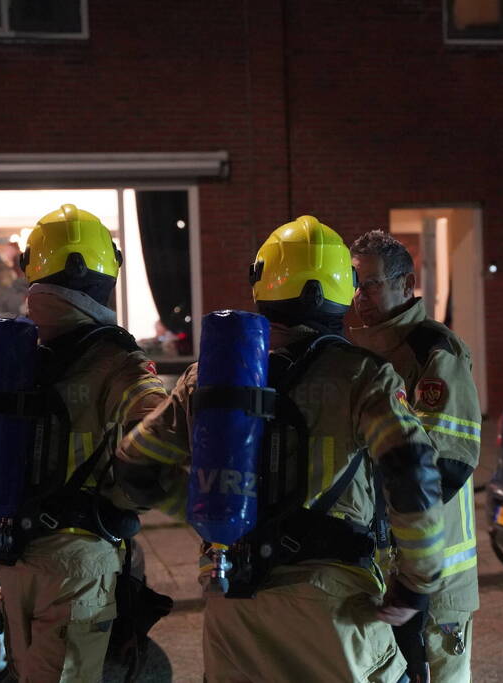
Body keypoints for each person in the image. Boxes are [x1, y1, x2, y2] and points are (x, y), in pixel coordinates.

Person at [115, 215, 447, 682]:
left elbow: (134, 465)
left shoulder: (206, 377)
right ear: (343, 287)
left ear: (262, 282)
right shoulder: (364, 376)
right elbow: (411, 472)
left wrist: (212, 512)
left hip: (234, 598)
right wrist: (417, 584)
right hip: (332, 607)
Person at [0, 204, 168, 681]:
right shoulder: (120, 361)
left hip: (8, 552)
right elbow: (157, 448)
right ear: (108, 270)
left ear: (31, 270)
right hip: (79, 565)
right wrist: (118, 505)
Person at [349, 229, 482, 683]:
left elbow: (448, 464)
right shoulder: (358, 354)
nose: (359, 296)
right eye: (353, 283)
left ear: (406, 285)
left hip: (440, 566)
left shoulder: (433, 352)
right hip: (386, 562)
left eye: (370, 283)